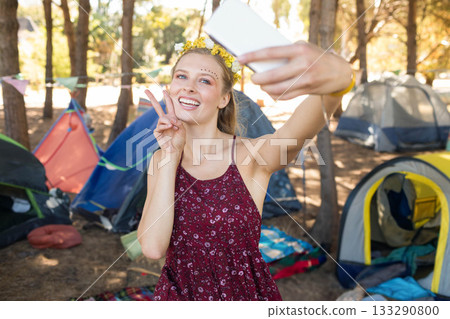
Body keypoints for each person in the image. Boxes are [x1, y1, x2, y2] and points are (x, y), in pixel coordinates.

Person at [137, 37, 353, 301]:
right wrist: (171, 154)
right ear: (170, 88)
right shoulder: (161, 160)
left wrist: (340, 80)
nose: (189, 88)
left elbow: (300, 127)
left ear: (223, 98)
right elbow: (152, 247)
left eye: (205, 80)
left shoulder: (252, 155)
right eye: (182, 76)